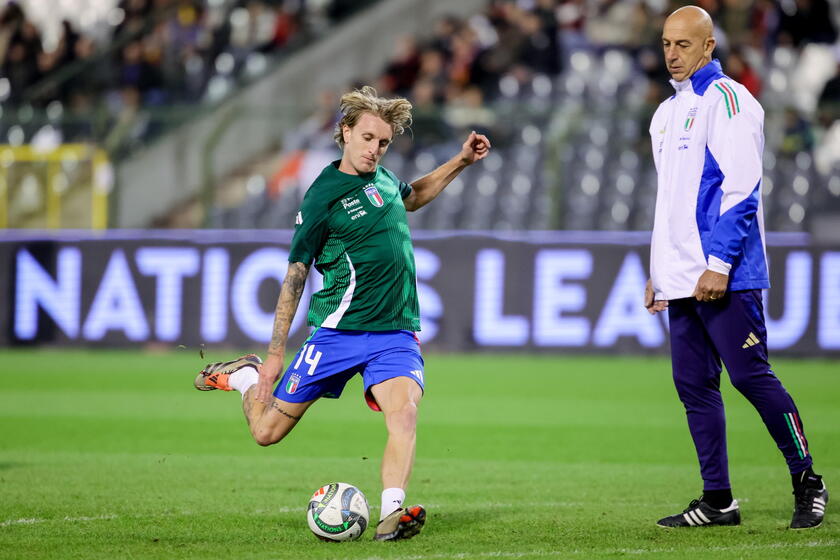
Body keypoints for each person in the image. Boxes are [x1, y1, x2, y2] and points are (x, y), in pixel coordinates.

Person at [194, 86, 490, 541]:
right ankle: (246, 377)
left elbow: (413, 197)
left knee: (405, 411)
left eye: (384, 143)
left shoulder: (386, 180)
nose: (375, 149)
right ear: (346, 132)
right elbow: (295, 276)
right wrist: (274, 355)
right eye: (368, 138)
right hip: (335, 333)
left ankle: (392, 513)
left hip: (394, 333)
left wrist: (461, 161)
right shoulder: (321, 197)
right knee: (266, 432)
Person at [644, 6, 827, 529]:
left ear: (708, 47)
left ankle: (807, 479)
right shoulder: (667, 112)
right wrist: (660, 269)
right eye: (665, 44)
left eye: (683, 45)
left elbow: (742, 189)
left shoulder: (729, 100)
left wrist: (719, 264)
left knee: (752, 377)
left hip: (724, 272)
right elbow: (672, 200)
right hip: (682, 276)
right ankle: (718, 499)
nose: (672, 54)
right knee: (694, 387)